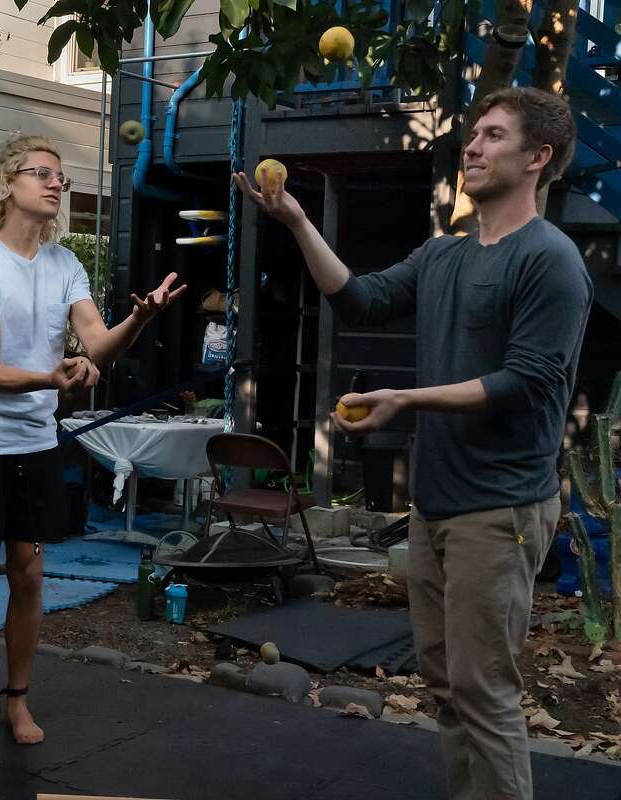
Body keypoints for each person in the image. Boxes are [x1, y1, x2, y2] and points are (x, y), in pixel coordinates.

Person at [236, 87, 592, 800]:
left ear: (537, 157)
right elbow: (359, 298)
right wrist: (300, 222)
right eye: (473, 134)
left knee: (483, 687)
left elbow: (525, 380)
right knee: (444, 682)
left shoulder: (550, 260)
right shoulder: (443, 256)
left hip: (502, 508)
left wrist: (405, 399)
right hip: (436, 505)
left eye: (493, 135)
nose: (473, 146)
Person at [0, 134, 186, 757]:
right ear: (7, 184)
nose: (55, 183)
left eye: (59, 177)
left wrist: (141, 317)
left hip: (34, 442)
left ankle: (16, 697)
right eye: (41, 172)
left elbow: (96, 346)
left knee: (30, 572)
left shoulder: (66, 265)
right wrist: (54, 376)